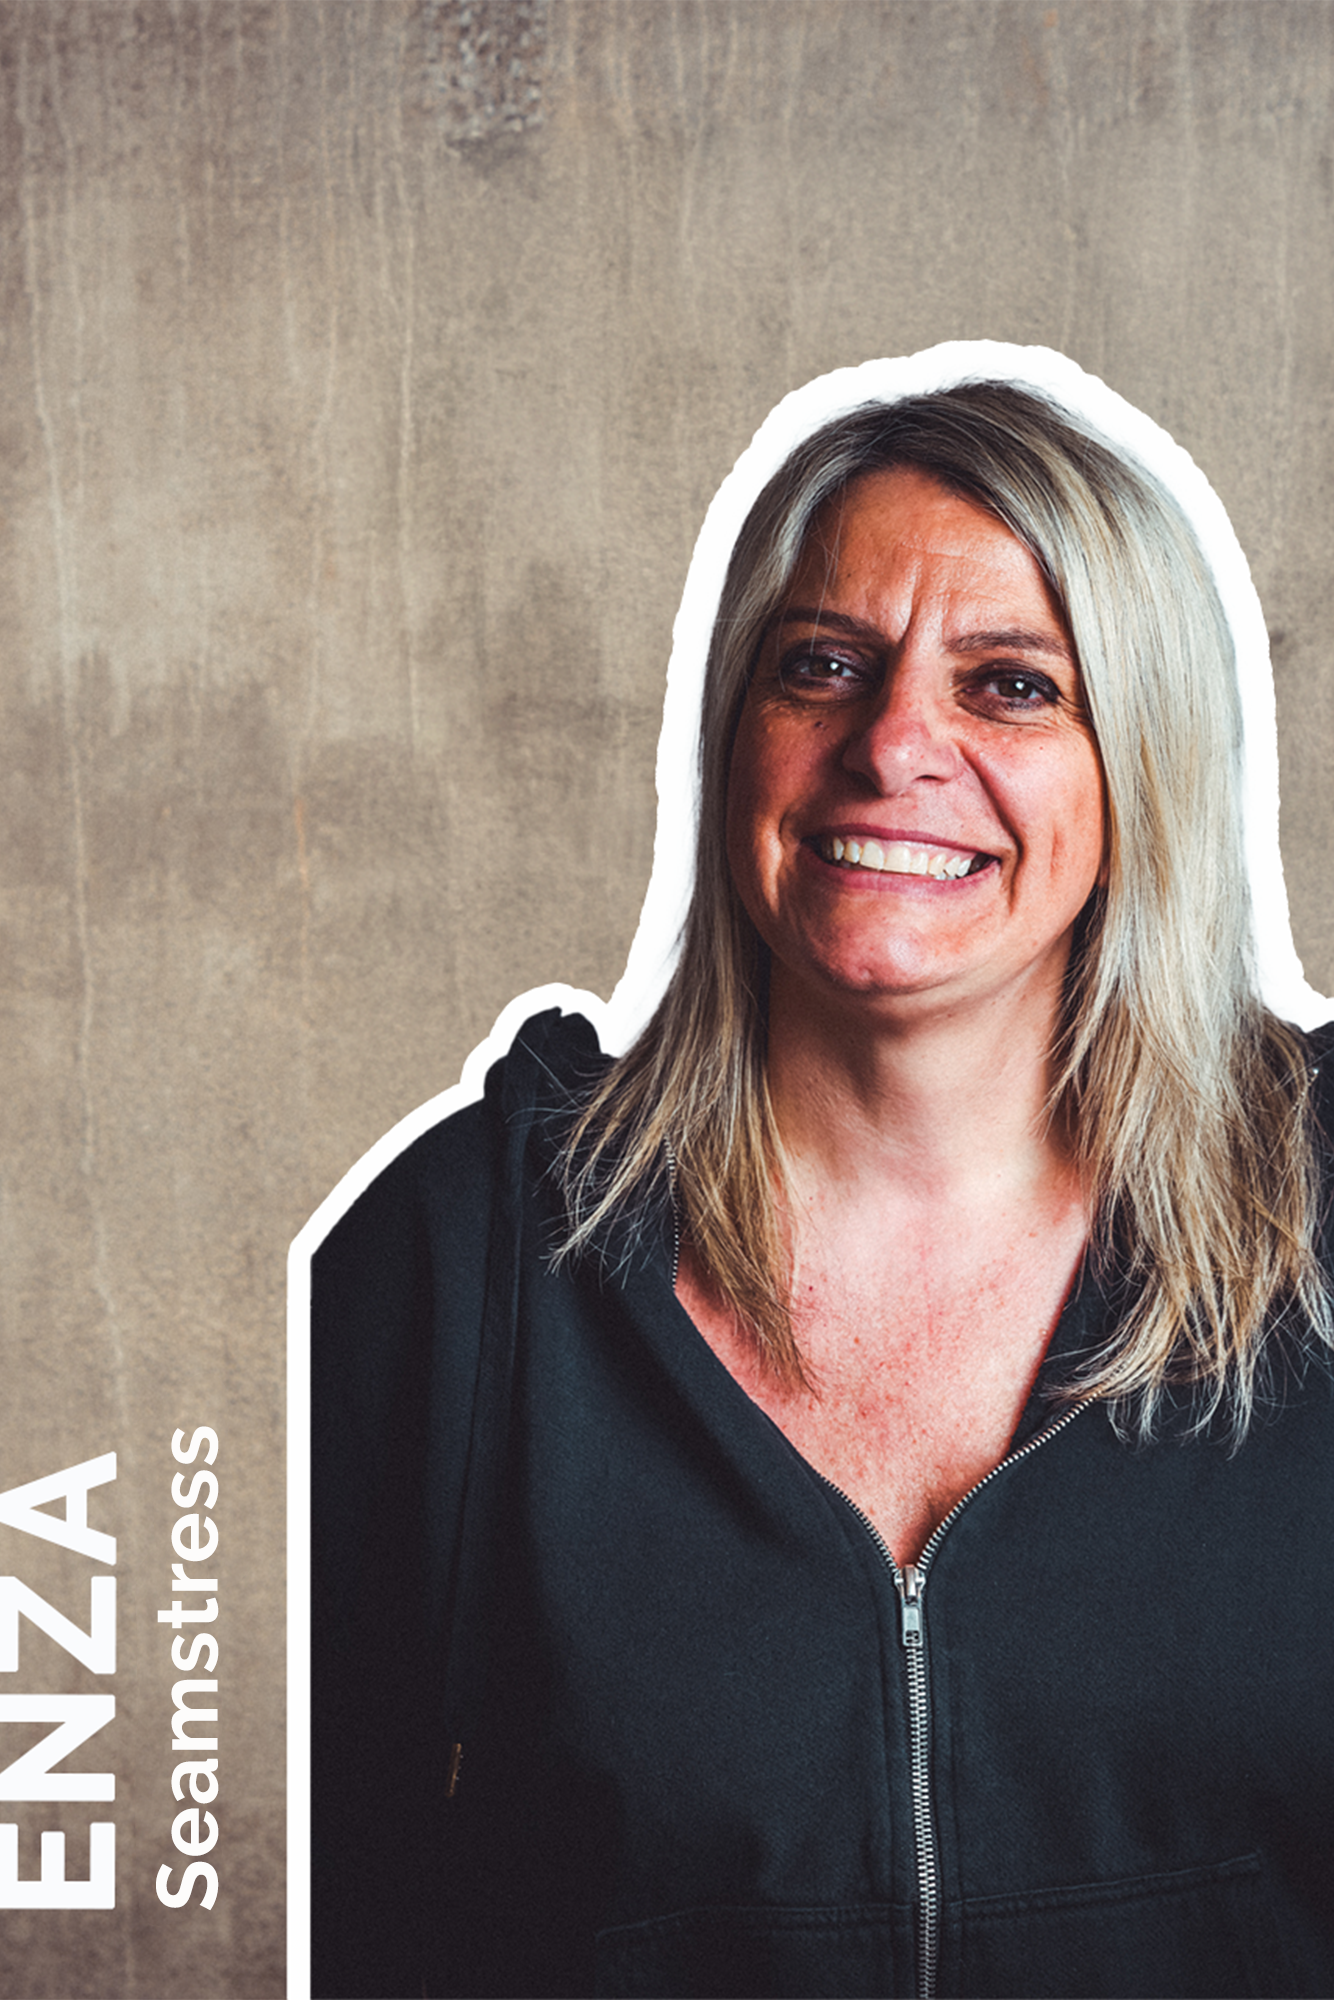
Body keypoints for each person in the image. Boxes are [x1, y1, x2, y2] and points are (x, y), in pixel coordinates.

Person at [309, 366, 1334, 1999]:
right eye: (823, 666)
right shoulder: (464, 1261)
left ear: (1144, 764)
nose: (892, 745)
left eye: (1011, 686)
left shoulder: (1318, 1207)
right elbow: (289, 1899)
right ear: (736, 737)